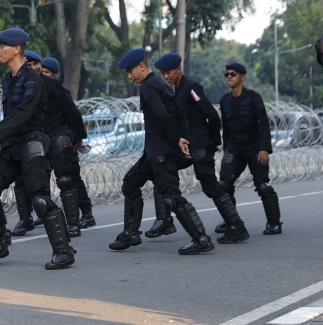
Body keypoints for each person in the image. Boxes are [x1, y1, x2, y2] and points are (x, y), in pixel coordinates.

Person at [0, 28, 76, 269]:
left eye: (2, 46)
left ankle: (63, 251)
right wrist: (0, 138)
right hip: (10, 145)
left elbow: (24, 114)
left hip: (31, 143)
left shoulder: (33, 79)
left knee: (40, 200)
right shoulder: (7, 79)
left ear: (16, 48)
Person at [110, 48, 214, 255]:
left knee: (171, 197)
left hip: (161, 152)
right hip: (154, 152)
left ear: (142, 66)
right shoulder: (160, 85)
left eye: (131, 71)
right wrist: (182, 139)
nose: (130, 76)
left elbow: (163, 116)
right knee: (131, 183)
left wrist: (177, 140)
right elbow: (178, 115)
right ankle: (131, 232)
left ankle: (201, 238)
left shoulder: (149, 87)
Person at [149, 52, 249, 244]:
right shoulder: (177, 91)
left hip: (201, 145)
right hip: (188, 146)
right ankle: (165, 220)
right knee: (162, 173)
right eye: (163, 74)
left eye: (169, 72)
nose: (166, 77)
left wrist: (214, 141)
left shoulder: (190, 88)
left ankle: (237, 226)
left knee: (210, 186)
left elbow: (211, 114)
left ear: (179, 69)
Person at [7, 51, 87, 238]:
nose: (34, 68)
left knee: (65, 179)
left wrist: (78, 136)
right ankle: (25, 219)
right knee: (23, 178)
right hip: (35, 136)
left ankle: (73, 223)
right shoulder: (18, 86)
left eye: (37, 64)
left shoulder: (53, 84)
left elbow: (71, 112)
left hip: (57, 132)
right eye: (30, 64)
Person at [216, 62, 282, 235]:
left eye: (233, 74)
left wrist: (265, 149)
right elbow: (227, 129)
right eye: (227, 74)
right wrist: (226, 151)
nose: (229, 76)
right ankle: (231, 220)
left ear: (242, 77)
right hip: (234, 148)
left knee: (263, 186)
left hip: (255, 147)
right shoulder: (224, 100)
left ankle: (274, 223)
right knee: (223, 184)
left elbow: (264, 125)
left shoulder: (254, 98)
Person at [41, 57, 96, 229]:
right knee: (41, 177)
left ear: (55, 75)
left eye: (46, 73)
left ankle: (86, 213)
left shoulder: (59, 89)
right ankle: (46, 212)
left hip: (63, 140)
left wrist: (77, 138)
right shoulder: (38, 89)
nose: (43, 76)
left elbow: (73, 114)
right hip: (46, 139)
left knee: (70, 178)